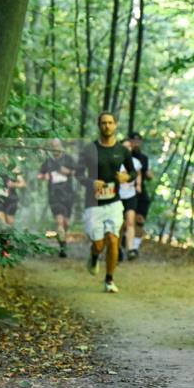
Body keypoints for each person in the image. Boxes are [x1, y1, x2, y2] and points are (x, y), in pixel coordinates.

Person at [78, 112, 135, 293]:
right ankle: (94, 257)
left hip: (114, 202)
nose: (107, 126)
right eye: (103, 123)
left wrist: (127, 176)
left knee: (113, 239)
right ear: (99, 125)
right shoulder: (89, 149)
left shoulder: (122, 150)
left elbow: (133, 173)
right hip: (93, 203)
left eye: (110, 123)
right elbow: (77, 174)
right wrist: (91, 182)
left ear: (115, 125)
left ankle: (109, 279)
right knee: (98, 244)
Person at [37, 138, 76, 258]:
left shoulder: (68, 158)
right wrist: (44, 176)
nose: (55, 148)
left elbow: (76, 171)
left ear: (61, 146)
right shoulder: (48, 161)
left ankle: (62, 239)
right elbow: (39, 175)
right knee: (59, 221)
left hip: (68, 194)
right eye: (53, 146)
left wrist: (67, 171)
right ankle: (62, 247)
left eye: (57, 145)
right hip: (54, 195)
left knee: (66, 223)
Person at [0, 163, 25, 258]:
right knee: (2, 225)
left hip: (11, 200)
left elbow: (22, 183)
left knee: (9, 226)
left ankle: (6, 249)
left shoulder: (13, 168)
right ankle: (3, 250)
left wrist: (13, 184)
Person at [127, 131, 153, 257]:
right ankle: (122, 246)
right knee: (124, 221)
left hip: (139, 192)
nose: (136, 144)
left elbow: (148, 174)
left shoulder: (144, 158)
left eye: (138, 141)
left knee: (140, 220)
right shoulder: (124, 155)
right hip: (124, 192)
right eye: (133, 141)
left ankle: (135, 248)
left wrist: (149, 175)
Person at [117, 139, 143, 261]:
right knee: (119, 225)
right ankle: (117, 249)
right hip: (117, 197)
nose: (127, 149)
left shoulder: (135, 162)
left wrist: (138, 185)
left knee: (130, 222)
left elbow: (138, 174)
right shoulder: (116, 162)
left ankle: (131, 249)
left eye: (129, 147)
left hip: (131, 196)